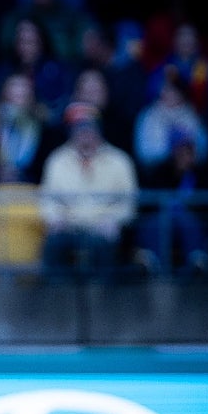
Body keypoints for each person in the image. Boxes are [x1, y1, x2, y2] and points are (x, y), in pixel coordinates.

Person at [39, 102, 139, 280]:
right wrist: (55, 218)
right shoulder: (57, 160)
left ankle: (103, 295)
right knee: (54, 244)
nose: (84, 133)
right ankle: (57, 294)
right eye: (78, 128)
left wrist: (114, 220)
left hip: (103, 226)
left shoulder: (119, 161)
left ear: (98, 129)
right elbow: (48, 198)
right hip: (69, 226)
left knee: (102, 245)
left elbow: (129, 201)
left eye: (89, 127)